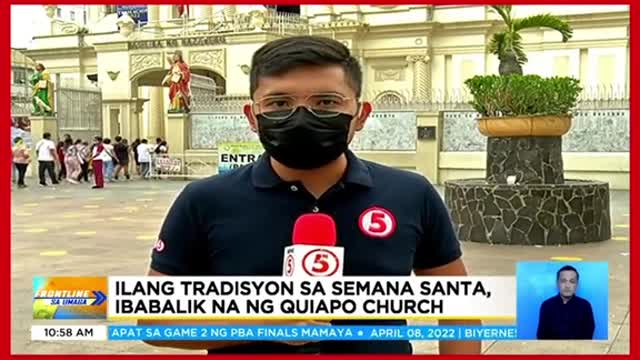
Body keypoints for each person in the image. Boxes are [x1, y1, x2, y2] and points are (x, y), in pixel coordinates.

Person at [141, 36, 480, 355]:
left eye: (326, 102)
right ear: (253, 117)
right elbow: (155, 321)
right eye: (279, 103)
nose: (302, 115)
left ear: (360, 115)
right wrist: (257, 323)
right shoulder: (204, 200)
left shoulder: (410, 193)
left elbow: (459, 310)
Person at [536, 265, 595, 340]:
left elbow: (588, 333)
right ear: (557, 283)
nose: (567, 286)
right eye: (563, 281)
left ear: (576, 285)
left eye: (572, 281)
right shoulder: (546, 305)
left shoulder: (585, 305)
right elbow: (541, 335)